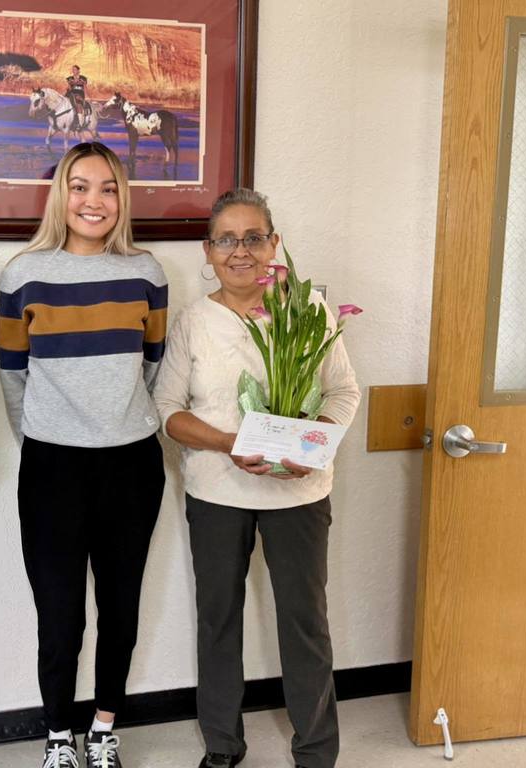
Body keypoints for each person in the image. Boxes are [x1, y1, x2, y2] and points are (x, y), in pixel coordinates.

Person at [152, 188, 360, 768]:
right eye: (226, 239)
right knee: (218, 619)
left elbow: (344, 392)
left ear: (275, 245)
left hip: (299, 491)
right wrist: (226, 441)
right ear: (208, 249)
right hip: (217, 493)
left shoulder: (309, 312)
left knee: (305, 622)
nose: (240, 251)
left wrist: (310, 443)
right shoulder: (194, 322)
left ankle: (316, 751)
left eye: (253, 238)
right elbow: (167, 408)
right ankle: (222, 745)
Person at [0, 142, 168, 768]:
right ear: (59, 195)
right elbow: (11, 376)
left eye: (108, 188)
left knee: (121, 606)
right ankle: (59, 737)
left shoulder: (147, 273)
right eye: (80, 186)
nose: (94, 201)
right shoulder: (22, 275)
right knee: (60, 614)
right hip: (52, 468)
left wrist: (117, 422)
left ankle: (103, 728)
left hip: (131, 464)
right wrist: (49, 435)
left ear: (122, 199)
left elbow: (153, 367)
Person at [65, 64, 89, 130]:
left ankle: (80, 123)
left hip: (80, 94)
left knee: (78, 105)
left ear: (78, 71)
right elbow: (68, 88)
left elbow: (85, 88)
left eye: (75, 69)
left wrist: (87, 96)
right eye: (72, 70)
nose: (73, 71)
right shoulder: (69, 79)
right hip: (71, 94)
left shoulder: (83, 78)